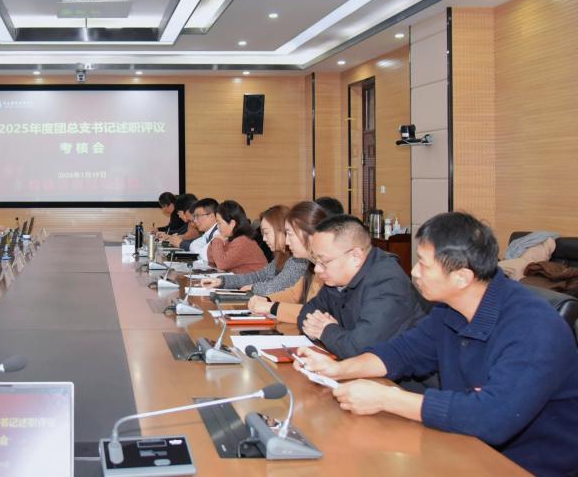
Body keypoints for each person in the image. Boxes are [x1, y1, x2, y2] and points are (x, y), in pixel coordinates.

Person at [297, 212, 578, 476]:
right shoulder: (450, 308)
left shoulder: (533, 327)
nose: (414, 272)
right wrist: (338, 370)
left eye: (424, 264)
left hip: (523, 465)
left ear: (462, 277)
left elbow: (493, 418)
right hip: (462, 444)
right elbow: (403, 352)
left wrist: (386, 398)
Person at [297, 214, 427, 359]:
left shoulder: (387, 283)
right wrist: (324, 330)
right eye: (315, 260)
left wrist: (326, 330)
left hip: (400, 373)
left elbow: (360, 349)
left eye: (323, 261)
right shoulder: (337, 278)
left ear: (355, 257)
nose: (317, 269)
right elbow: (306, 313)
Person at [202, 201, 325, 324]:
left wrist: (259, 295)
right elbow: (263, 279)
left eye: (289, 234)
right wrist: (223, 281)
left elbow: (282, 288)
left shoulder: (301, 262)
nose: (287, 241)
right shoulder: (286, 258)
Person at [205, 200, 267, 273]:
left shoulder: (243, 241)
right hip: (241, 278)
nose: (218, 227)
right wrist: (215, 242)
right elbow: (212, 261)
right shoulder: (230, 239)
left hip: (257, 280)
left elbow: (222, 264)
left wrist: (217, 240)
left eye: (219, 223)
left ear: (232, 223)